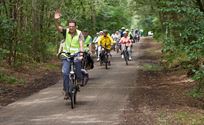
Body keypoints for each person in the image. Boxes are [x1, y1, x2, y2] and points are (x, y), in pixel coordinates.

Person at [54, 9, 84, 100]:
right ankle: (66, 91)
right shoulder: (65, 31)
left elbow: (81, 44)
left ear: (76, 27)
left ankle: (79, 79)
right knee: (65, 73)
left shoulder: (79, 34)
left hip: (76, 54)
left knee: (78, 63)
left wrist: (81, 54)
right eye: (69, 26)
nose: (70, 28)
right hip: (66, 55)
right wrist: (56, 20)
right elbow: (58, 27)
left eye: (72, 26)